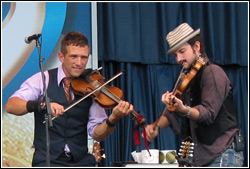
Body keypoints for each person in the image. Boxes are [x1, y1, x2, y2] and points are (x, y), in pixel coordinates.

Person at [6, 31, 134, 167]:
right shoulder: (44, 79)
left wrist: (112, 119)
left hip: (80, 161)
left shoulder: (92, 88)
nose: (79, 63)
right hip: (48, 161)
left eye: (84, 58)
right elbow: (12, 105)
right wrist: (42, 105)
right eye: (74, 57)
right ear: (61, 57)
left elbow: (97, 134)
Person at [143, 23, 244, 167]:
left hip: (222, 155)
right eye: (175, 55)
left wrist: (184, 110)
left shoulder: (213, 73)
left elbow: (208, 113)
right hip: (203, 158)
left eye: (182, 51)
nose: (179, 59)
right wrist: (156, 126)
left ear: (197, 47)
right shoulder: (187, 78)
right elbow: (172, 114)